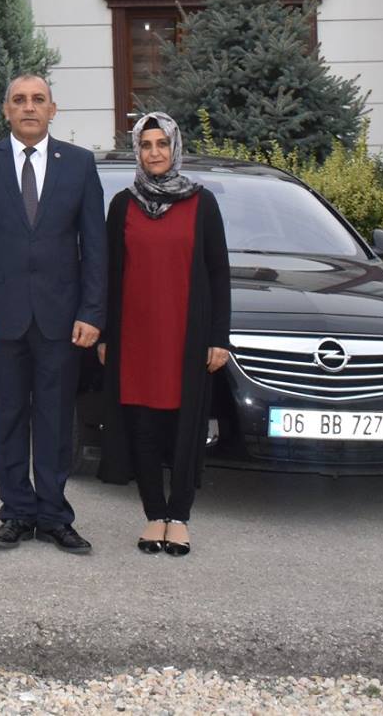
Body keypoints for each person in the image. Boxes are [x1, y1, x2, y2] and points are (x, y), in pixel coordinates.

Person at [0, 74, 105, 555]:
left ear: (53, 110)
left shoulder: (79, 165)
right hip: (1, 320)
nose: (29, 107)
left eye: (38, 100)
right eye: (19, 100)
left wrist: (92, 312)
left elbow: (96, 249)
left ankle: (55, 515)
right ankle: (16, 512)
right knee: (9, 418)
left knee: (57, 420)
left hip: (62, 320)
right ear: (6, 111)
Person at [96, 112, 231, 558]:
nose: (155, 152)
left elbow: (218, 273)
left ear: (175, 147)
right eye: (147, 145)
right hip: (134, 338)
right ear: (138, 151)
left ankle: (181, 517)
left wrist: (219, 338)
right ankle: (154, 513)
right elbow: (109, 274)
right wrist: (104, 335)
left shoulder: (201, 202)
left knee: (184, 429)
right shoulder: (123, 204)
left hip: (186, 337)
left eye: (162, 144)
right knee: (144, 428)